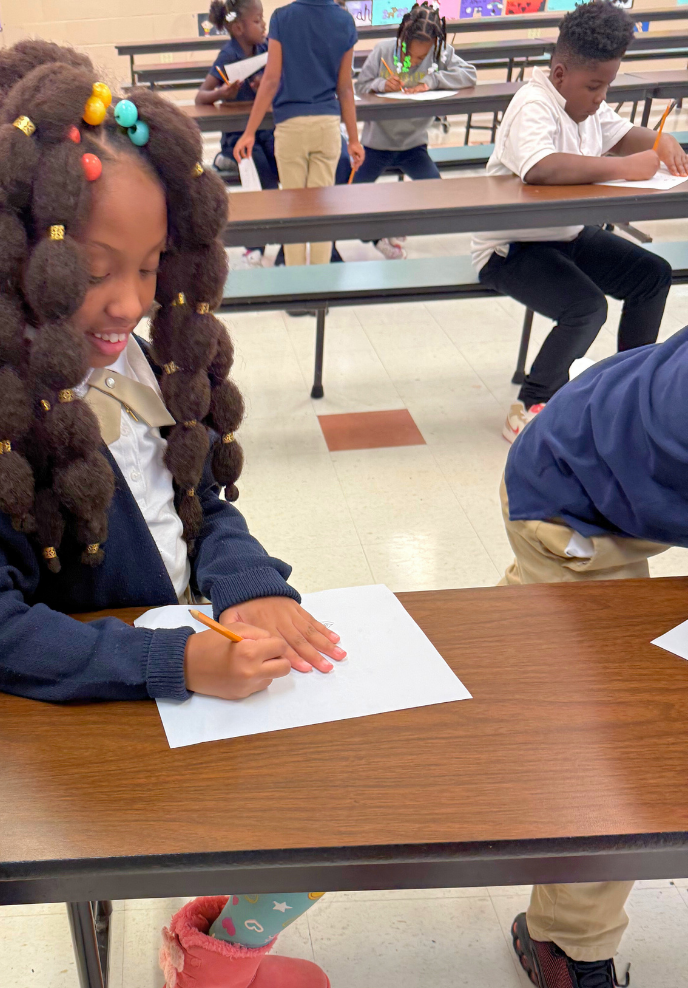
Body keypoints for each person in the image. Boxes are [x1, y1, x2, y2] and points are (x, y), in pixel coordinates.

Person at [0, 39, 341, 987]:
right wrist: (170, 661)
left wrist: (248, 587)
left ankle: (215, 944)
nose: (129, 302)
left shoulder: (147, 358)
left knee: (338, 799)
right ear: (10, 253)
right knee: (260, 823)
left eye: (149, 265)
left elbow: (201, 500)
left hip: (185, 659)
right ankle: (199, 949)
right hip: (88, 704)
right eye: (95, 268)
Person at [499, 325, 688, 988]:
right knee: (627, 753)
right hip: (566, 509)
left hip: (610, 464)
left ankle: (513, 651)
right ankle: (567, 943)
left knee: (547, 659)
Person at [469, 0, 685, 443]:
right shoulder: (534, 104)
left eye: (607, 85)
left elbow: (622, 135)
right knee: (586, 307)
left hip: (564, 235)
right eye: (594, 86)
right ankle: (531, 404)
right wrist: (626, 168)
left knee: (652, 275)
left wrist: (662, 142)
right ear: (561, 74)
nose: (601, 96)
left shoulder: (585, 104)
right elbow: (541, 167)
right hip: (510, 248)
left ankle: (632, 390)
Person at [233, 0, 364, 267]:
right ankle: (319, 293)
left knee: (293, 211)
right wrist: (353, 139)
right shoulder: (344, 21)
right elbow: (345, 88)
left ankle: (296, 288)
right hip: (327, 126)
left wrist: (249, 132)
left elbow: (270, 80)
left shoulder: (283, 17)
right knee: (321, 212)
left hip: (290, 128)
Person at [354, 2, 476, 260]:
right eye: (414, 55)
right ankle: (377, 237)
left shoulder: (439, 53)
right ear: (402, 39)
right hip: (376, 144)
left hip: (413, 146)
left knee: (436, 197)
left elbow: (469, 75)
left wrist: (432, 81)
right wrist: (381, 84)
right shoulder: (384, 50)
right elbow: (361, 86)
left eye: (423, 56)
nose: (418, 60)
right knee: (350, 198)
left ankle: (397, 226)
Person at [197, 0, 280, 268]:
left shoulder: (267, 49)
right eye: (257, 21)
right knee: (263, 178)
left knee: (281, 167)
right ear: (238, 28)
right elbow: (201, 97)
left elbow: (282, 82)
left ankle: (283, 235)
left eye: (262, 18)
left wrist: (265, 87)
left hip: (266, 132)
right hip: (238, 138)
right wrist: (222, 93)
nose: (263, 24)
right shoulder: (228, 56)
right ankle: (255, 245)